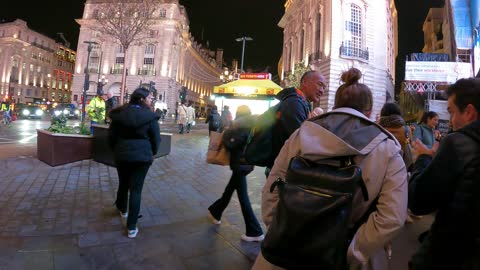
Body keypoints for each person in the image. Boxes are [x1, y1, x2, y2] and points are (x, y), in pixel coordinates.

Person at [253, 68, 407, 270]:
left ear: (335, 105)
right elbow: (392, 217)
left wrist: (280, 229)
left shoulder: (302, 134)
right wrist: (352, 253)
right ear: (369, 111)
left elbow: (272, 187)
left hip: (286, 254)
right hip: (346, 259)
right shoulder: (387, 148)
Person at [408, 78, 480, 270]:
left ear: (469, 112)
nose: (451, 121)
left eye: (451, 113)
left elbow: (418, 201)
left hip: (448, 255)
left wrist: (423, 158)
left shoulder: (457, 143)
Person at [108, 88, 161, 239]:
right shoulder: (150, 117)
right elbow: (156, 139)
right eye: (150, 98)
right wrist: (151, 153)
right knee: (136, 190)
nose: (151, 100)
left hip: (122, 155)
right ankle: (131, 227)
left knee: (123, 182)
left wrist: (116, 150)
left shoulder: (119, 114)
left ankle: (122, 208)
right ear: (142, 99)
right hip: (142, 158)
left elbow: (111, 137)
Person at [207, 105, 264, 242]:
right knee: (229, 190)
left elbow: (232, 143)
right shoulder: (252, 125)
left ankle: (254, 230)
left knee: (243, 197)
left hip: (239, 164)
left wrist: (227, 133)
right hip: (246, 163)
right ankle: (216, 211)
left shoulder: (239, 126)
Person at [267, 70, 326, 175]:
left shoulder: (301, 103)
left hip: (286, 166)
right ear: (304, 82)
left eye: (324, 87)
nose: (322, 91)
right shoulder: (294, 104)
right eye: (320, 84)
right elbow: (301, 141)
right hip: (283, 170)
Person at [378, 103, 413, 171]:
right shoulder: (406, 130)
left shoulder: (377, 128)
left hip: (380, 167)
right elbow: (410, 148)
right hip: (400, 167)